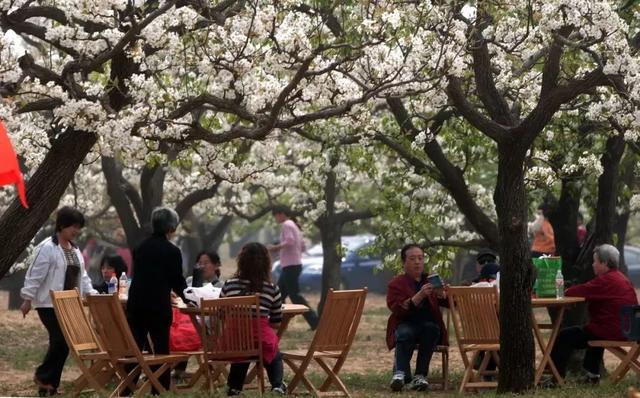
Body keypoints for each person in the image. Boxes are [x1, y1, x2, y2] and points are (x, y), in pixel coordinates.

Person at [20, 206, 97, 396]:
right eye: (73, 226)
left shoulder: (76, 250)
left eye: (78, 227)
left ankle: (49, 387)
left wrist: (92, 294)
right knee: (60, 341)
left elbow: (83, 277)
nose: (76, 231)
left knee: (64, 344)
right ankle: (43, 376)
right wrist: (27, 299)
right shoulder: (47, 248)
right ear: (62, 225)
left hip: (70, 303)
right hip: (49, 304)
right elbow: (34, 275)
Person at [550, 244, 638, 384]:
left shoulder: (605, 281)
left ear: (604, 263)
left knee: (565, 336)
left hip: (613, 331)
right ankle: (592, 376)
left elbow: (577, 291)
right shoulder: (622, 278)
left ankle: (555, 378)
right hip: (629, 329)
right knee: (594, 329)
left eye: (595, 261)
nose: (593, 264)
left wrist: (565, 292)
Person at [126, 207, 188, 394]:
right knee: (161, 349)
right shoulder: (172, 251)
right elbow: (176, 280)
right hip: (158, 308)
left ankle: (128, 388)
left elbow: (145, 276)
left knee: (136, 349)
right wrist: (188, 297)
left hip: (136, 306)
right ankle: (159, 389)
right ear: (171, 228)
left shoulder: (140, 247)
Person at [221, 242, 286, 396]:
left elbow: (221, 314)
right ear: (266, 264)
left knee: (243, 346)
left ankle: (234, 387)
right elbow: (276, 322)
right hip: (259, 342)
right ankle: (277, 385)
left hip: (232, 342)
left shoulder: (228, 286)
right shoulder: (271, 289)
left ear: (241, 261)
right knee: (271, 348)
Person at [386, 244, 448, 392]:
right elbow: (396, 309)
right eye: (412, 258)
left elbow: (453, 303)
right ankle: (400, 374)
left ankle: (420, 376)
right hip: (405, 323)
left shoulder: (430, 280)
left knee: (432, 329)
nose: (417, 262)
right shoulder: (396, 283)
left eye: (421, 258)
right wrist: (418, 296)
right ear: (403, 262)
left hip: (428, 326)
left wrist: (442, 294)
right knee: (405, 333)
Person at [267, 205, 318, 330]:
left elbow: (289, 241)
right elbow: (302, 246)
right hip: (293, 264)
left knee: (294, 296)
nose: (276, 218)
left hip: (290, 265)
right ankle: (277, 323)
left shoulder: (287, 225)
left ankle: (315, 321)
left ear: (281, 214)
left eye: (276, 215)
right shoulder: (294, 225)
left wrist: (275, 248)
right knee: (279, 295)